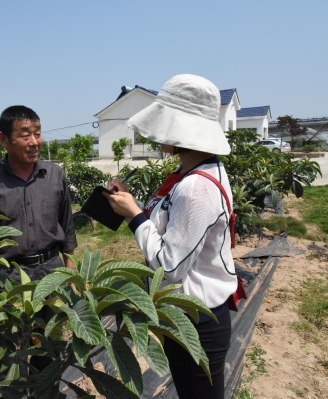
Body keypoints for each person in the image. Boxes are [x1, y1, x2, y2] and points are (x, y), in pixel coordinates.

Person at [103, 74, 238, 399]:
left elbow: (169, 264)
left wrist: (135, 216)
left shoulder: (195, 186)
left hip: (198, 323)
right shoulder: (190, 173)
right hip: (186, 317)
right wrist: (133, 203)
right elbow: (174, 228)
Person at [0, 105, 77, 281]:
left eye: (37, 134)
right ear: (4, 139)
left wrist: (70, 270)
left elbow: (67, 226)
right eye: (25, 135)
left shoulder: (54, 175)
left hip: (53, 271)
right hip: (9, 275)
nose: (34, 142)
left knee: (59, 309)